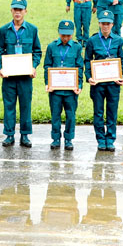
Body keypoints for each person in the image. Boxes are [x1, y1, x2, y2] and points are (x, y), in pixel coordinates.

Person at [0, 0, 42, 147]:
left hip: (25, 76)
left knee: (25, 105)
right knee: (9, 105)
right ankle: (9, 135)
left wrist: (34, 66)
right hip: (9, 76)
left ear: (25, 11)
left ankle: (25, 135)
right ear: (11, 10)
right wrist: (1, 67)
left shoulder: (32, 30)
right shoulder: (4, 30)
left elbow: (37, 51)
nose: (17, 12)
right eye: (15, 9)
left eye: (20, 9)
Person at [84, 10, 123, 151]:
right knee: (99, 112)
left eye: (108, 24)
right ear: (99, 23)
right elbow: (88, 60)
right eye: (103, 23)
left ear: (113, 24)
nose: (105, 26)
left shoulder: (118, 40)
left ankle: (110, 139)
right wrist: (89, 76)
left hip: (113, 84)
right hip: (98, 84)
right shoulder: (92, 40)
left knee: (112, 112)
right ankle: (101, 139)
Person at [44, 19, 83, 149]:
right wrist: (47, 83)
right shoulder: (52, 47)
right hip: (55, 89)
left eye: (68, 35)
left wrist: (79, 85)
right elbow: (47, 66)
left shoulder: (77, 47)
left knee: (70, 114)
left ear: (72, 34)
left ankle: (68, 139)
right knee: (55, 114)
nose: (65, 38)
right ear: (59, 33)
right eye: (63, 35)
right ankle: (55, 138)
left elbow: (79, 67)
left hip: (71, 90)